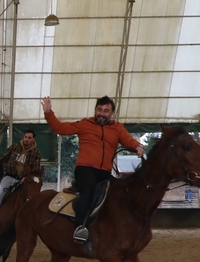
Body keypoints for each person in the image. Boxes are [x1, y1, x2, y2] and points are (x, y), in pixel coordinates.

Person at [42, 96, 144, 243]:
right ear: (95, 110)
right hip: (85, 169)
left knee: (119, 191)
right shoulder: (85, 124)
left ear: (112, 113)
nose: (102, 113)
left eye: (106, 111)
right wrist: (48, 113)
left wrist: (138, 146)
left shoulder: (117, 128)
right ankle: (80, 227)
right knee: (88, 188)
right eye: (99, 110)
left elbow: (128, 140)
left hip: (105, 172)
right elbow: (60, 128)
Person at [0, 130, 42, 228]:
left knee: (31, 195)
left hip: (24, 179)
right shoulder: (14, 147)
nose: (26, 139)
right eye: (25, 137)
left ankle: (32, 217)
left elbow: (36, 169)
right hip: (9, 176)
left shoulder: (36, 153)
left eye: (29, 138)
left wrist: (26, 177)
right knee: (0, 193)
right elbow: (1, 158)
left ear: (33, 139)